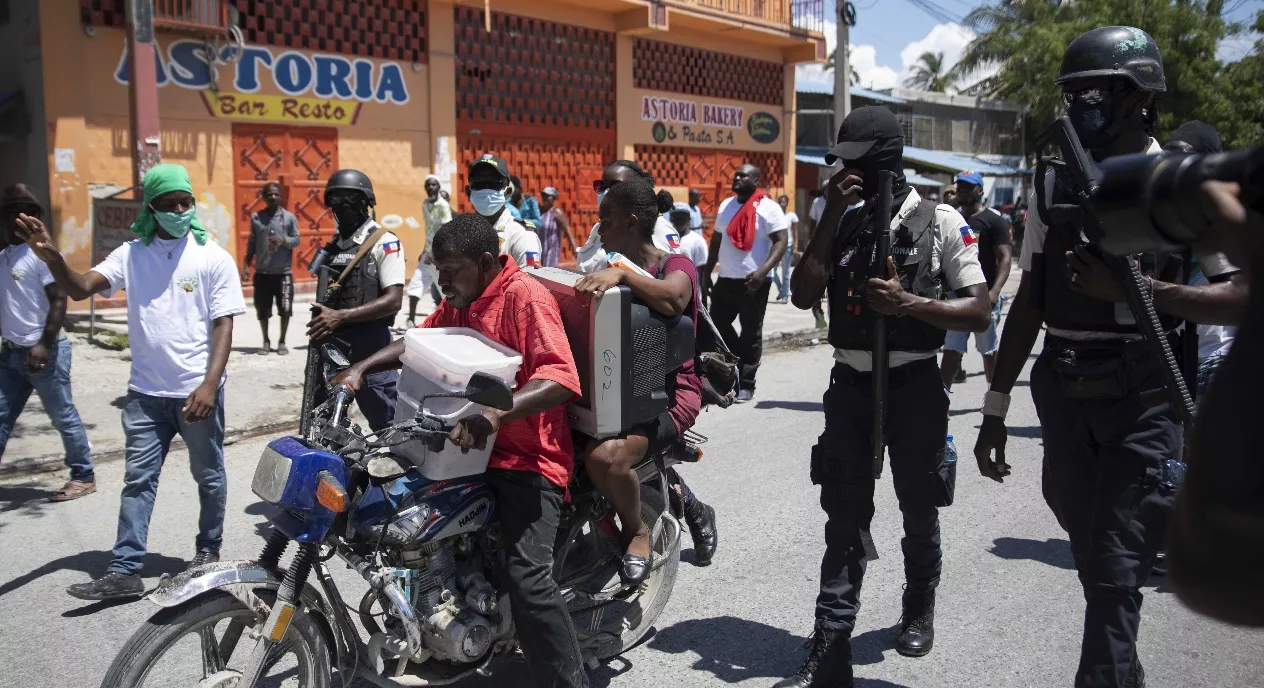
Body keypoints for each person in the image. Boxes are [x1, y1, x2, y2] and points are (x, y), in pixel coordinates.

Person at [972, 28, 1247, 688]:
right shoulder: (1052, 183)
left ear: (1135, 99)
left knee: (1117, 569)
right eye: (1071, 94)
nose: (1078, 107)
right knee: (1098, 561)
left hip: (1143, 401)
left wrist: (1144, 291)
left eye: (1093, 93)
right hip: (1065, 397)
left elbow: (1242, 291)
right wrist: (995, 407)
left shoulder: (1181, 184)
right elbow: (1032, 300)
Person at [780, 105, 991, 688]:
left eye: (853, 164)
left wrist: (908, 306)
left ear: (883, 163)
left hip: (915, 387)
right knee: (844, 516)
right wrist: (830, 215)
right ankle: (830, 645)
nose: (843, 174)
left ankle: (918, 601)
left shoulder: (941, 221)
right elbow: (801, 295)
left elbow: (978, 310)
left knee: (919, 506)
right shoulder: (838, 216)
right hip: (851, 386)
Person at [334, 213, 589, 688]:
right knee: (398, 521)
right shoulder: (460, 302)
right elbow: (419, 343)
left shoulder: (523, 298)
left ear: (487, 262)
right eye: (438, 270)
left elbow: (560, 377)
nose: (442, 281)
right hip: (464, 453)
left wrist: (495, 415)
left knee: (528, 578)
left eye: (452, 271)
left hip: (527, 457)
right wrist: (361, 369)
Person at [14, 164, 245, 600]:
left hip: (196, 393)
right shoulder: (131, 254)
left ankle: (207, 551)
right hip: (144, 396)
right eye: (168, 204)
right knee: (138, 480)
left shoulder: (212, 256)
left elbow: (224, 325)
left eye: (185, 202)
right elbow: (81, 288)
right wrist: (52, 256)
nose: (179, 210)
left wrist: (210, 385)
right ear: (151, 208)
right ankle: (124, 569)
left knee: (208, 475)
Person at [576, 161, 717, 566]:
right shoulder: (609, 263)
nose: (599, 230)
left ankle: (637, 532)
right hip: (620, 388)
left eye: (606, 221)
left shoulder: (675, 265)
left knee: (606, 458)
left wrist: (622, 275)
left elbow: (673, 298)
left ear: (632, 222)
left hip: (670, 395)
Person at [0, 184, 95, 501]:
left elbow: (59, 301)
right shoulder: (4, 257)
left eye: (25, 212)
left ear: (36, 218)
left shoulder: (42, 257)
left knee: (63, 416)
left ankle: (84, 476)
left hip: (45, 351)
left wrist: (43, 343)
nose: (18, 218)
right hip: (10, 354)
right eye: (12, 212)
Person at [307, 169, 405, 432]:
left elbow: (394, 300)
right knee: (325, 425)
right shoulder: (335, 246)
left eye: (350, 198)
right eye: (336, 199)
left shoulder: (383, 242)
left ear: (366, 202)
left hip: (371, 348)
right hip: (332, 347)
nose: (343, 206)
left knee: (387, 427)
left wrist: (340, 316)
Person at [703, 164, 789, 404]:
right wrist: (706, 272)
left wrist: (763, 272)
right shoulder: (726, 206)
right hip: (726, 280)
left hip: (754, 283)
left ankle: (747, 384)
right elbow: (717, 240)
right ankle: (736, 364)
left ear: (756, 180)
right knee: (716, 326)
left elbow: (781, 241)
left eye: (744, 175)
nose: (737, 177)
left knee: (751, 333)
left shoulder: (769, 208)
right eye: (736, 174)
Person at [940, 170, 1013, 390]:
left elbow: (1005, 258)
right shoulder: (952, 219)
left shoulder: (994, 221)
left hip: (984, 298)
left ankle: (994, 399)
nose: (961, 189)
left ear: (979, 190)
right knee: (951, 352)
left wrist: (995, 291)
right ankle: (941, 402)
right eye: (959, 185)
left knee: (988, 352)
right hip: (957, 298)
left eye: (967, 186)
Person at [576, 160, 679, 274]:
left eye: (615, 185)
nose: (606, 191)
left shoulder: (656, 228)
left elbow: (656, 279)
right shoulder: (601, 226)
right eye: (602, 185)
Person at [241, 181, 300, 355]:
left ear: (281, 196)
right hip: (262, 273)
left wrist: (284, 240)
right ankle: (266, 341)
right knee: (262, 310)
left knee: (285, 309)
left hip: (283, 274)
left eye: (276, 194)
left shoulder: (289, 218)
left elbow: (297, 240)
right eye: (269, 194)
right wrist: (246, 266)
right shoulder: (256, 218)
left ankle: (282, 341)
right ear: (263, 197)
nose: (273, 197)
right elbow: (252, 243)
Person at [467, 154, 544, 269]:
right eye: (480, 184)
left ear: (507, 192)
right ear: (469, 192)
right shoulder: (463, 233)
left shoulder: (521, 235)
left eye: (494, 184)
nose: (487, 190)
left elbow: (529, 284)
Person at [406, 174, 451, 327]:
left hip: (440, 255)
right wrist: (424, 250)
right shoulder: (424, 204)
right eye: (428, 185)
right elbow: (428, 230)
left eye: (434, 184)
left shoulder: (443, 205)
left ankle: (451, 320)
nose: (431, 187)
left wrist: (436, 252)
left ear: (438, 187)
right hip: (427, 254)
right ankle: (410, 320)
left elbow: (446, 230)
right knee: (416, 283)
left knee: (445, 289)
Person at [537, 187, 577, 268]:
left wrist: (574, 248)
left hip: (551, 250)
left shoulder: (556, 213)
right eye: (543, 195)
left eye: (548, 196)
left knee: (547, 272)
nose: (545, 198)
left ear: (553, 198)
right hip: (540, 249)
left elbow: (567, 230)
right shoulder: (539, 212)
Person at [769, 194, 799, 304]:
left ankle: (785, 295)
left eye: (784, 202)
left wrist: (795, 247)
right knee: (772, 271)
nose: (782, 204)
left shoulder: (791, 216)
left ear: (787, 203)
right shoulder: (774, 217)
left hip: (788, 246)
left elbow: (795, 233)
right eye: (780, 202)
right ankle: (782, 290)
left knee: (786, 272)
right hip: (776, 246)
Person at [807, 188, 829, 329]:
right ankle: (818, 314)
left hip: (835, 244)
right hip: (820, 244)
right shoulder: (817, 202)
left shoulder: (840, 200)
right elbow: (812, 221)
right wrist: (810, 240)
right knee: (816, 280)